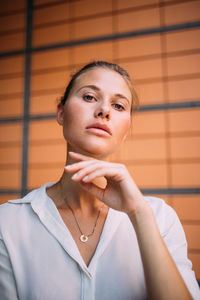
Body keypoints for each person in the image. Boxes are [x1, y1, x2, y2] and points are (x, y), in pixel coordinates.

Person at [0, 61, 199, 300]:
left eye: (118, 105)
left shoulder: (160, 218)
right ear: (61, 113)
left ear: (126, 130)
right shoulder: (8, 223)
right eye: (89, 97)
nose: (104, 110)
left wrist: (139, 214)